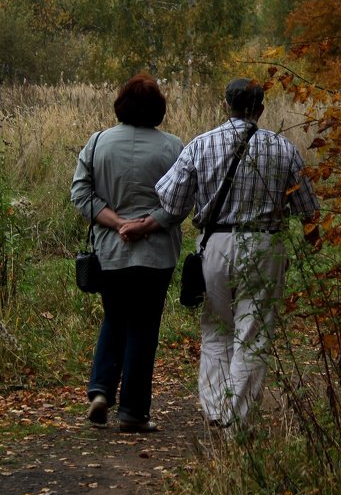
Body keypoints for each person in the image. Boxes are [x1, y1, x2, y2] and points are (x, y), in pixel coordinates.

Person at [124, 77, 320, 429]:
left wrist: (143, 225)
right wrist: (313, 245)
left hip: (214, 245)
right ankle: (238, 418)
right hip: (265, 245)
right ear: (260, 109)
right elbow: (308, 210)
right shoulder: (284, 149)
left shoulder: (201, 145)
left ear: (225, 105)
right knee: (253, 333)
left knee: (215, 328)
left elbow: (170, 202)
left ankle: (217, 409)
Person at [70, 73, 183, 432]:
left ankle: (101, 390)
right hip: (156, 254)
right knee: (144, 327)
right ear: (158, 109)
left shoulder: (98, 142)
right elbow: (182, 202)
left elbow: (81, 194)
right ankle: (133, 412)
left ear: (121, 104)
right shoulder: (173, 147)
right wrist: (145, 225)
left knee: (115, 317)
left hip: (111, 252)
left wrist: (117, 222)